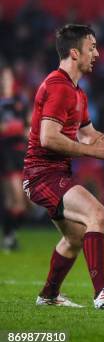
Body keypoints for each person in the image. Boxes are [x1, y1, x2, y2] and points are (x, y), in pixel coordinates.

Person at [23, 24, 104, 308]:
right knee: (98, 214)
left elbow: (88, 134)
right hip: (41, 175)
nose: (97, 53)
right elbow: (48, 138)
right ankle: (101, 291)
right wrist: (89, 152)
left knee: (75, 238)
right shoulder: (59, 88)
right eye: (91, 47)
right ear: (74, 52)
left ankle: (48, 296)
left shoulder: (76, 91)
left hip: (53, 173)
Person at [0, 67, 28, 251]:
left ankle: (9, 237)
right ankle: (9, 237)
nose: (5, 81)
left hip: (20, 152)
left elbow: (28, 126)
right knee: (15, 198)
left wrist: (19, 128)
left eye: (7, 78)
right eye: (2, 78)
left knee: (17, 202)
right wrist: (17, 128)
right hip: (5, 153)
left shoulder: (19, 101)